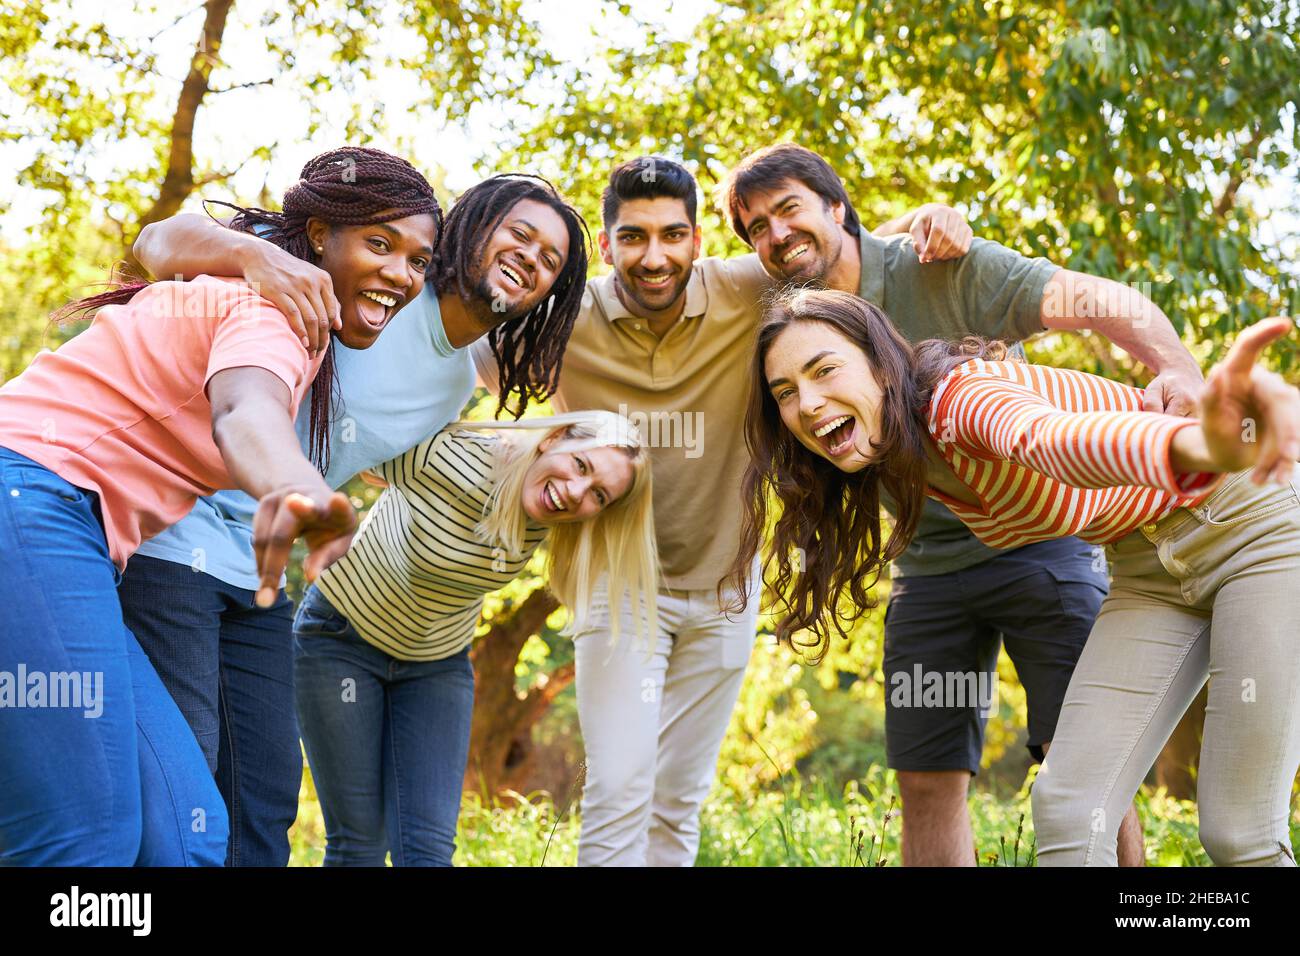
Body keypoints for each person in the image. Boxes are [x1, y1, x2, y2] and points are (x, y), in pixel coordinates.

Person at [716, 143, 1208, 865]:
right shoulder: (794, 327)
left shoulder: (942, 265)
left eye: (788, 208)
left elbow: (1090, 301)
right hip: (928, 571)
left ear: (836, 207)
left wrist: (1178, 371)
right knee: (925, 772)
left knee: (1078, 760)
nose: (775, 234)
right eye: (755, 227)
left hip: (1043, 546)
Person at [472, 155, 971, 866]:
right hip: (619, 589)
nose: (655, 256)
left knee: (678, 798)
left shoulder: (745, 290)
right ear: (608, 246)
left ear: (698, 241)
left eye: (673, 235)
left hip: (723, 592)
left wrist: (925, 224)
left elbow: (831, 252)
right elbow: (455, 353)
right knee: (620, 787)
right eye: (634, 238)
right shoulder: (564, 322)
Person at [729, 287, 1300, 867]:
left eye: (824, 370)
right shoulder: (902, 456)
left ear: (881, 362)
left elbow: (1049, 441)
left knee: (1239, 833)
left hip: (1256, 525)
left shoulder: (957, 399)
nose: (809, 402)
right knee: (1071, 810)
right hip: (1148, 569)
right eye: (786, 393)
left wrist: (1190, 444)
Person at [121, 171, 590, 865]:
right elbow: (157, 241)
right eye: (520, 233)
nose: (532, 257)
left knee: (266, 799)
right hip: (171, 534)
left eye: (551, 260)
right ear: (469, 226)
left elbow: (363, 456)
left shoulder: (455, 385)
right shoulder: (368, 270)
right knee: (181, 779)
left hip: (260, 572)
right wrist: (258, 256)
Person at [0, 145, 442, 865]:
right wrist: (299, 489)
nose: (401, 273)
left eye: (419, 261)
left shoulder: (248, 286)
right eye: (381, 243)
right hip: (27, 497)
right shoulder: (274, 310)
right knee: (86, 843)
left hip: (65, 531)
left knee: (187, 832)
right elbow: (244, 412)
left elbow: (164, 250)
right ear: (320, 237)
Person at [294, 411, 658, 866]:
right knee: (361, 844)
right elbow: (360, 448)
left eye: (598, 495)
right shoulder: (453, 459)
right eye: (581, 465)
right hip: (340, 640)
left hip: (434, 665)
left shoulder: (554, 518)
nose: (575, 491)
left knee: (426, 850)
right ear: (555, 438)